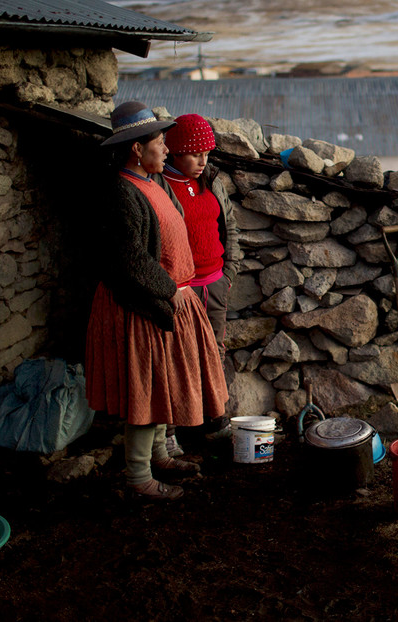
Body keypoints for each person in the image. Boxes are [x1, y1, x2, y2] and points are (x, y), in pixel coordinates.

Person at [84, 101, 229, 501]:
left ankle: (160, 456)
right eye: (160, 142)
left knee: (163, 383)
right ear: (137, 149)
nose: (166, 149)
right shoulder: (121, 192)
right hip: (142, 305)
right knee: (145, 391)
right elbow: (129, 258)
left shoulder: (154, 182)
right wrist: (170, 289)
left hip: (169, 299)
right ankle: (138, 478)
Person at [160, 114, 239, 452]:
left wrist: (229, 272)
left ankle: (215, 421)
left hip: (215, 283)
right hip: (181, 289)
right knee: (175, 355)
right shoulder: (160, 186)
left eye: (206, 154)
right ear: (176, 152)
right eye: (195, 154)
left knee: (214, 352)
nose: (203, 161)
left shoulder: (211, 181)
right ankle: (169, 433)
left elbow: (229, 224)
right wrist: (171, 287)